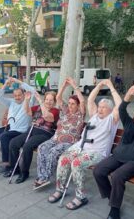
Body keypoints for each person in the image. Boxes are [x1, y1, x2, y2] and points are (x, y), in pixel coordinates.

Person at [47, 79, 122, 211]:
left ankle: (81, 196)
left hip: (97, 152)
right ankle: (60, 189)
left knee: (76, 163)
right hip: (80, 146)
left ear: (110, 110)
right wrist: (98, 86)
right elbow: (90, 99)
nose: (100, 109)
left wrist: (111, 87)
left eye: (104, 107)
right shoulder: (94, 115)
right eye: (99, 106)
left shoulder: (112, 119)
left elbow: (120, 105)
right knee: (63, 159)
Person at [93, 82, 134, 219]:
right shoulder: (129, 124)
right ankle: (112, 197)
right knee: (98, 171)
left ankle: (114, 209)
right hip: (118, 157)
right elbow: (122, 109)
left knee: (117, 176)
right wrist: (129, 93)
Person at [33, 77, 85, 189]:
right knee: (42, 147)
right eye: (69, 103)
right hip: (56, 138)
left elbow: (83, 101)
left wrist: (75, 86)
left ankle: (45, 178)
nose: (70, 106)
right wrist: (63, 86)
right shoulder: (65, 111)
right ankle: (41, 175)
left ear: (78, 105)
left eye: (73, 104)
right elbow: (58, 98)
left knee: (53, 151)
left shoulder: (80, 114)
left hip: (69, 142)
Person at [0, 77, 36, 174]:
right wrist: (5, 84)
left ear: (24, 95)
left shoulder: (28, 102)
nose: (17, 97)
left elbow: (33, 91)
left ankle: (7, 163)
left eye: (19, 95)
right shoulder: (11, 102)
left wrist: (17, 81)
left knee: (4, 136)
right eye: (15, 95)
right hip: (10, 127)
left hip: (21, 131)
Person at [4, 91, 59, 184]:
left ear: (54, 102)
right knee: (13, 143)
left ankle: (24, 172)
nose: (48, 102)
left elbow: (46, 116)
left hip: (45, 133)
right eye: (47, 99)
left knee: (27, 147)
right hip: (32, 130)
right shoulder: (37, 108)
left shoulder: (55, 111)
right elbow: (27, 111)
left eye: (51, 100)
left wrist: (41, 102)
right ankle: (14, 168)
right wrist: (26, 100)